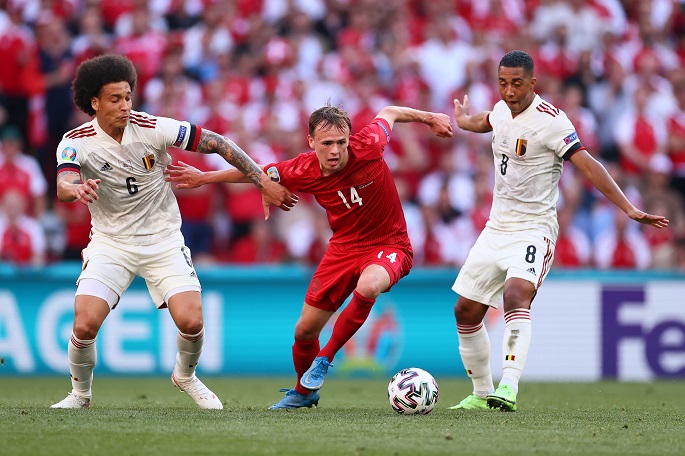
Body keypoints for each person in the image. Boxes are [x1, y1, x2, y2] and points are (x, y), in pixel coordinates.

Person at [165, 103, 453, 409]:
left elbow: (390, 112)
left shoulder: (369, 144)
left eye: (341, 142)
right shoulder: (303, 168)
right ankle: (304, 394)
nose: (335, 150)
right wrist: (204, 178)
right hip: (343, 249)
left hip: (389, 244)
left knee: (369, 285)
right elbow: (257, 172)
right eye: (327, 143)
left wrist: (430, 117)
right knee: (304, 331)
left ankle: (324, 359)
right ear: (311, 141)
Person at [51, 54, 296, 409]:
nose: (125, 105)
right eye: (115, 99)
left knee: (192, 321)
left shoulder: (152, 127)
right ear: (94, 102)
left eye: (128, 96)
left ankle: (185, 375)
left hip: (163, 239)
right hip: (111, 242)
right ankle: (80, 394)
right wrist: (76, 189)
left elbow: (218, 143)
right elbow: (63, 183)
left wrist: (261, 180)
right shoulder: (75, 141)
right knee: (84, 324)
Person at [448, 50, 669, 412]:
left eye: (517, 83)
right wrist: (462, 120)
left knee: (516, 294)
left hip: (534, 228)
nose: (509, 91)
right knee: (465, 311)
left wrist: (628, 207)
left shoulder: (552, 122)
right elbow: (485, 121)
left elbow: (590, 165)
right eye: (503, 83)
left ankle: (508, 386)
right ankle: (481, 392)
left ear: (533, 83)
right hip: (496, 227)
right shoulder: (502, 109)